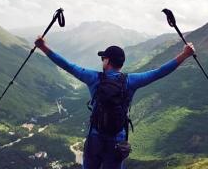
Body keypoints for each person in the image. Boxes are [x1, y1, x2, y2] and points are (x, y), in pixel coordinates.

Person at [34, 36, 195, 168]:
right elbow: (159, 72)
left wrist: (43, 47)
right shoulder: (131, 81)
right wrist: (185, 55)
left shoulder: (94, 78)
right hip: (118, 140)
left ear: (107, 61)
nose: (102, 61)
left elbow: (67, 65)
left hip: (95, 138)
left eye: (103, 58)